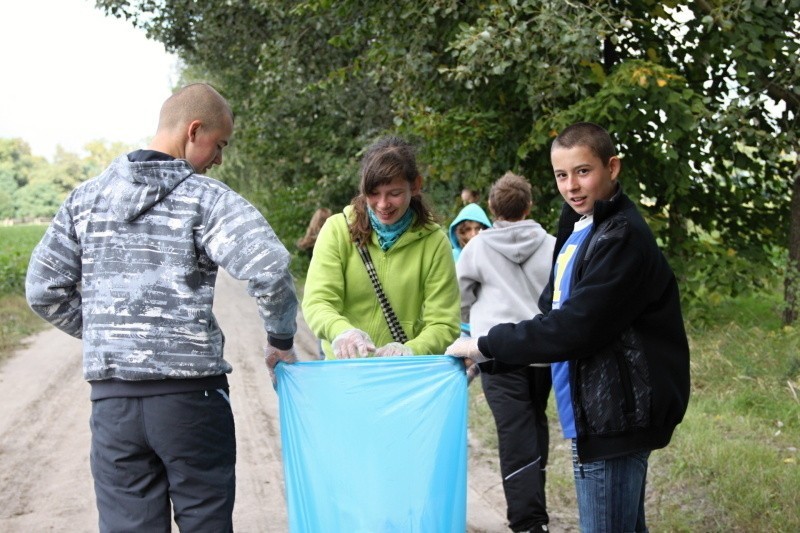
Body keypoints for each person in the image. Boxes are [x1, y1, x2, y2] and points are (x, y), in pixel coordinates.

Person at [25, 83, 298, 533]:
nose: (219, 160)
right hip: (191, 402)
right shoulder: (207, 199)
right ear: (194, 131)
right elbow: (269, 268)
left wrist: (107, 331)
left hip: (114, 404)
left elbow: (43, 289)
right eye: (220, 144)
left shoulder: (84, 200)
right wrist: (281, 340)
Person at [446, 122, 691, 532]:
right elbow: (550, 312)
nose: (572, 186)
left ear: (612, 167)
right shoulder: (580, 228)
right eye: (562, 175)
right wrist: (489, 361)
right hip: (591, 413)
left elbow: (575, 327)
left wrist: (485, 344)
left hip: (616, 416)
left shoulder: (622, 237)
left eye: (583, 171)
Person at [457, 172, 555, 533]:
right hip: (543, 350)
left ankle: (528, 522)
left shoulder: (478, 248)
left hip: (497, 351)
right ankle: (534, 512)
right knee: (535, 422)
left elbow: (460, 297)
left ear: (492, 209)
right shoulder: (552, 244)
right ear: (529, 205)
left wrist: (473, 318)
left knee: (514, 432)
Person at [302, 135, 460, 359]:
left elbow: (444, 323)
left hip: (399, 373)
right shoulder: (337, 230)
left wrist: (412, 349)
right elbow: (318, 301)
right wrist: (343, 332)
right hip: (343, 369)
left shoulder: (435, 243)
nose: (383, 204)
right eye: (373, 194)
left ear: (415, 186)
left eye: (394, 193)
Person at [449, 201, 492, 338]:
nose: (473, 234)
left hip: (487, 327)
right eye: (468, 229)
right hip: (458, 327)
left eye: (478, 228)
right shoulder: (451, 257)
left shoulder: (493, 257)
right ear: (460, 231)